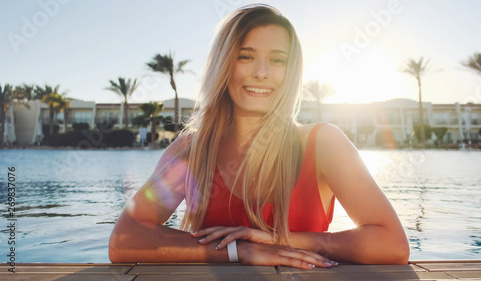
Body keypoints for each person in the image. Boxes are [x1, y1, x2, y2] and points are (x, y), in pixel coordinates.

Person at [109, 4, 409, 269]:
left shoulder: (323, 144)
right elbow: (124, 239)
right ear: (224, 64)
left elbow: (392, 245)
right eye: (246, 56)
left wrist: (279, 240)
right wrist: (239, 251)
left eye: (277, 60)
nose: (262, 72)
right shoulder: (191, 151)